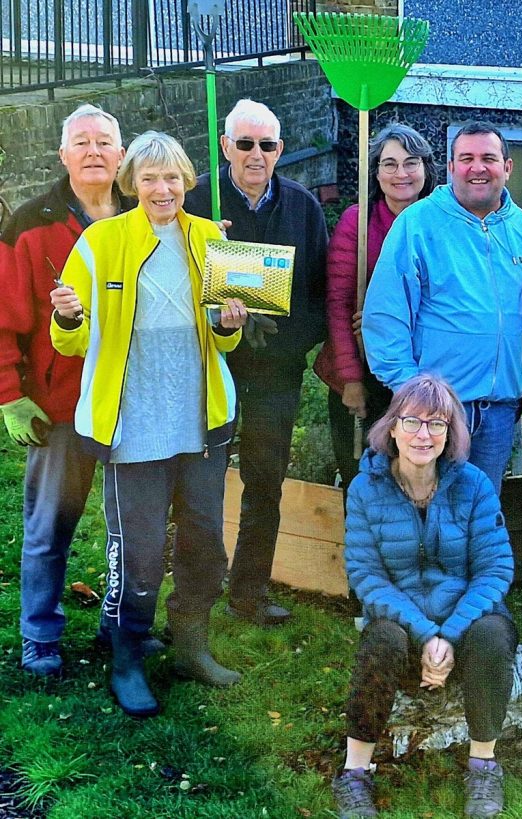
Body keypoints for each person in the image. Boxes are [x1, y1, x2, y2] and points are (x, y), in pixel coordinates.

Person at [50, 131, 247, 717]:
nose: (163, 189)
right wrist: (69, 315)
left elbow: (224, 337)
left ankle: (191, 645)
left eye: (173, 178)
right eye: (150, 178)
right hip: (133, 423)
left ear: (187, 181)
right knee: (139, 551)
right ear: (130, 183)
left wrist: (231, 321)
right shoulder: (100, 242)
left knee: (204, 540)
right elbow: (74, 341)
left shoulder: (212, 238)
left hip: (200, 419)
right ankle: (128, 658)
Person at [0, 104, 143, 677]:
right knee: (50, 527)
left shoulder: (146, 217)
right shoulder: (30, 225)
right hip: (59, 407)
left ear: (121, 153)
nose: (93, 152)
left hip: (132, 402)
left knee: (129, 526)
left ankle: (119, 624)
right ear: (62, 155)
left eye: (104, 141)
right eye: (80, 142)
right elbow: (3, 317)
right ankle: (41, 634)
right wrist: (10, 392)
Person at [333, 374, 517, 818]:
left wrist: (449, 635)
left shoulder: (472, 485)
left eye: (437, 424)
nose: (423, 434)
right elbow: (366, 575)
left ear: (451, 433)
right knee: (381, 641)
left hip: (467, 621)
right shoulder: (365, 489)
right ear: (392, 427)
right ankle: (354, 773)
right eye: (412, 421)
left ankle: (483, 765)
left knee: (494, 633)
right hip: (400, 620)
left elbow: (495, 569)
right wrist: (424, 633)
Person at [186, 98, 328, 626]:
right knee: (202, 480)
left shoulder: (302, 206)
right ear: (225, 146)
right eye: (244, 143)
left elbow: (317, 289)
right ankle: (195, 592)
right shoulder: (197, 199)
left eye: (266, 145)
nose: (255, 154)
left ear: (280, 150)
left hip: (276, 370)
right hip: (208, 366)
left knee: (265, 481)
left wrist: (292, 341)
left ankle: (249, 592)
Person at [362, 122, 522, 494]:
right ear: (450, 166)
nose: (478, 168)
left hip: (498, 411)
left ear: (508, 168)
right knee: (427, 519)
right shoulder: (418, 224)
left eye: (488, 158)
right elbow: (385, 316)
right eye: (467, 158)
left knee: (478, 517)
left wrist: (520, 381)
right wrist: (411, 394)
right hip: (435, 413)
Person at [314, 123, 437, 487]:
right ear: (376, 172)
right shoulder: (358, 221)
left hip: (423, 374)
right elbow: (337, 302)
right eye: (390, 164)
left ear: (426, 169)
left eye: (411, 163)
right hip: (363, 372)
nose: (401, 174)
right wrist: (351, 378)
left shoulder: (440, 222)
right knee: (365, 484)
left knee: (416, 484)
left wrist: (384, 320)